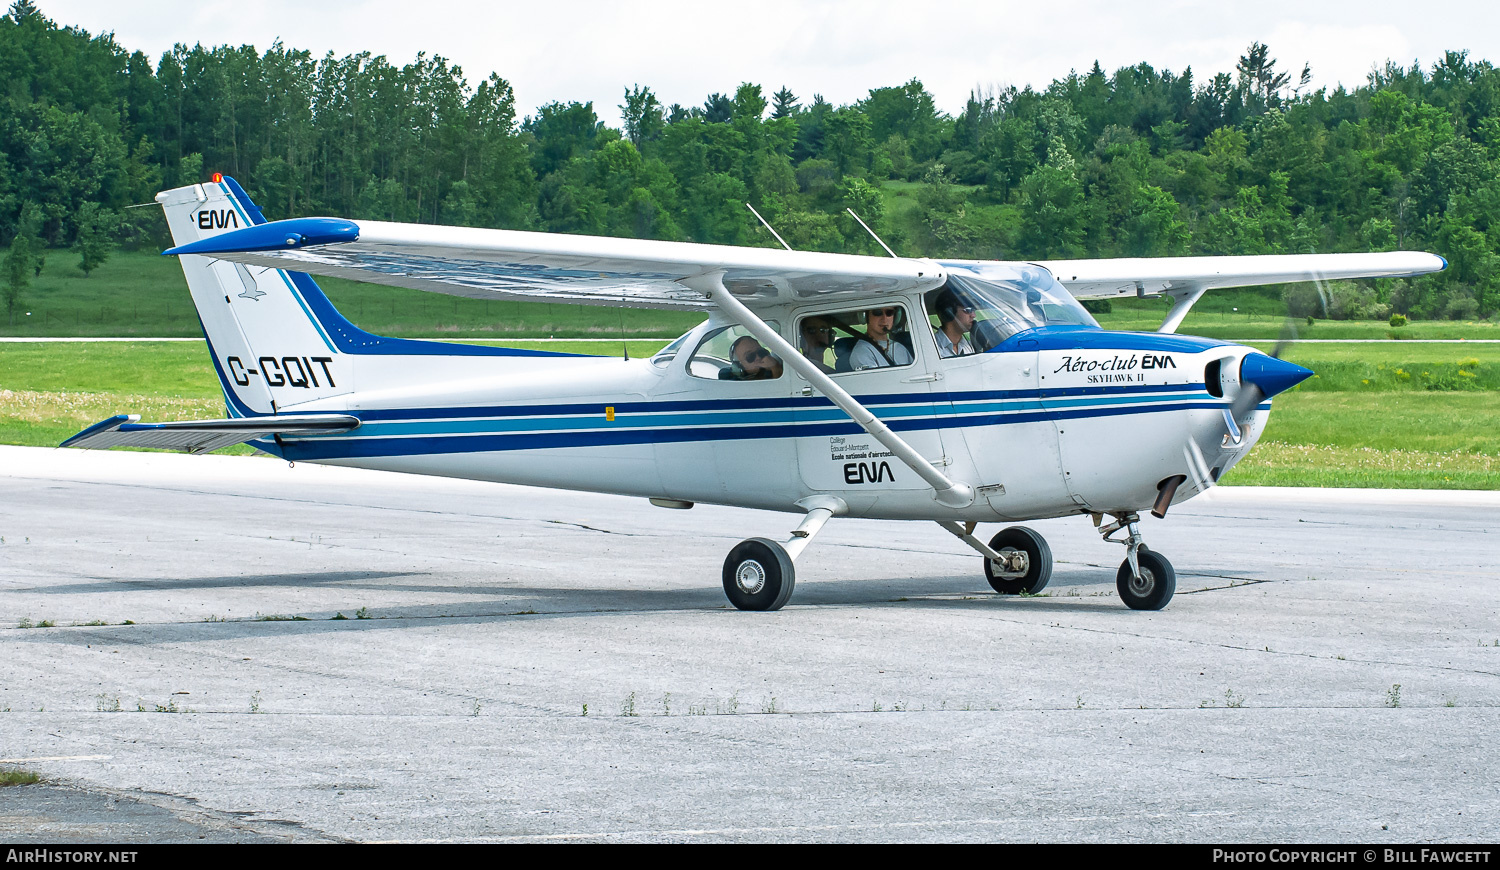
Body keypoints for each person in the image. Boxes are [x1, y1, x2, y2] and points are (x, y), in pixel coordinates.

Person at [848, 306, 914, 370]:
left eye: (889, 312)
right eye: (877, 312)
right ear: (865, 317)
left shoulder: (900, 348)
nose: (884, 319)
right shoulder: (862, 351)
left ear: (895, 317)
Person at [933, 289, 976, 358]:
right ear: (948, 313)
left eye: (973, 310)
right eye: (968, 310)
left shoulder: (968, 346)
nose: (973, 315)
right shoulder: (931, 347)